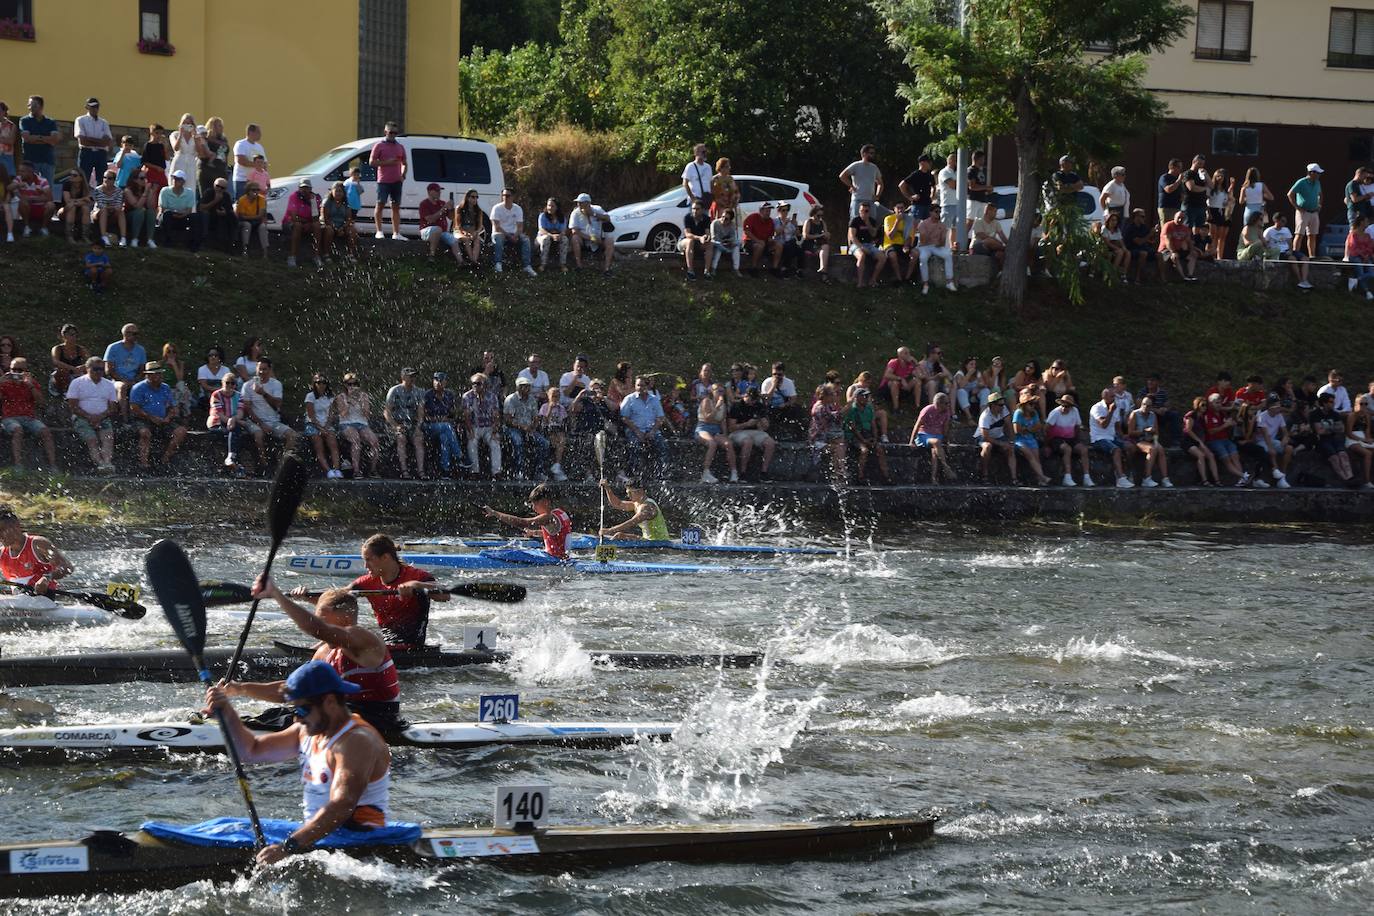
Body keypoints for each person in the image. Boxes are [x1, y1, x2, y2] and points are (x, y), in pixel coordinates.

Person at [201, 659, 393, 865]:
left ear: (329, 701)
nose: (297, 718)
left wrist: (288, 847)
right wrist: (227, 712)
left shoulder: (356, 741)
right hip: (320, 835)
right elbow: (251, 751)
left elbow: (341, 805)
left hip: (358, 840)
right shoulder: (306, 731)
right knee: (228, 827)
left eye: (302, 710)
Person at [224, 577, 403, 734]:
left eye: (323, 620)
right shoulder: (324, 652)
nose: (320, 626)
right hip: (343, 714)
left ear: (347, 620)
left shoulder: (365, 640)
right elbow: (292, 689)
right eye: (317, 618)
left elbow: (317, 629)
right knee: (279, 714)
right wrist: (240, 688)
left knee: (300, 714)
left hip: (380, 719)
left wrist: (276, 594)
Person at [483, 484, 573, 559]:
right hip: (563, 559)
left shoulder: (548, 517)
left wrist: (495, 513)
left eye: (535, 504)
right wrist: (534, 532)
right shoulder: (560, 513)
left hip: (554, 560)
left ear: (546, 502)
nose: (533, 508)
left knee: (513, 552)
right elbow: (557, 534)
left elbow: (522, 522)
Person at [128, 361, 188, 471]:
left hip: (163, 419)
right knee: (145, 433)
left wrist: (168, 417)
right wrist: (151, 418)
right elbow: (134, 408)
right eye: (155, 374)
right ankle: (143, 464)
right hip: (143, 418)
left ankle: (165, 458)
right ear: (148, 375)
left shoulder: (165, 388)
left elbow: (172, 406)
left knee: (181, 431)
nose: (158, 376)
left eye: (159, 373)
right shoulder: (138, 388)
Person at [0, 505, 74, 593]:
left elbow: (67, 567)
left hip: (44, 600)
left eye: (2, 530)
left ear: (16, 526)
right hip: (19, 601)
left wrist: (47, 578)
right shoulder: (1, 553)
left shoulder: (38, 544)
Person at [1, 358, 57, 470]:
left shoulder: (31, 383)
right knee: (17, 429)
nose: (16, 373)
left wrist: (30, 385)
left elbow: (41, 402)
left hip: (29, 418)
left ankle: (53, 465)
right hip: (9, 418)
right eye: (13, 369)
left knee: (45, 431)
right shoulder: (5, 383)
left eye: (20, 370)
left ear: (26, 370)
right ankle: (18, 465)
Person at [242, 358, 297, 469]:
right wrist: (261, 424)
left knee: (292, 435)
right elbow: (247, 408)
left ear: (270, 369)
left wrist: (263, 393)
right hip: (254, 421)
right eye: (259, 369)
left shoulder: (276, 384)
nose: (262, 372)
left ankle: (283, 464)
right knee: (258, 434)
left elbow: (277, 404)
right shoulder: (247, 385)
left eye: (264, 369)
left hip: (273, 421)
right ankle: (264, 465)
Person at [65, 357, 117, 472]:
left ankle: (107, 463)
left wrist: (99, 417)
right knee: (92, 439)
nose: (99, 372)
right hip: (81, 418)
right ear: (87, 369)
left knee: (108, 437)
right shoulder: (77, 383)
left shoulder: (109, 384)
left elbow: (113, 407)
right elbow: (72, 406)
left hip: (103, 417)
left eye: (101, 369)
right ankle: (100, 464)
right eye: (96, 369)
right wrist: (89, 417)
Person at [619, 375, 670, 480]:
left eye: (642, 385)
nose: (639, 388)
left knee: (663, 445)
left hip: (651, 430)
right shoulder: (629, 399)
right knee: (635, 446)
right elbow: (624, 418)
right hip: (634, 429)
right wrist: (637, 431)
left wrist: (652, 431)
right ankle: (635, 474)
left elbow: (660, 418)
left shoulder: (654, 400)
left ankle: (662, 474)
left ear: (647, 386)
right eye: (637, 385)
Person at [333, 372, 381, 480]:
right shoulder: (341, 397)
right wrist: (349, 400)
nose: (352, 386)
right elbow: (343, 414)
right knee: (356, 440)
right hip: (346, 423)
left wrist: (361, 401)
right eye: (349, 384)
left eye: (355, 384)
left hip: (362, 423)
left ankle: (373, 470)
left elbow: (366, 414)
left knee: (375, 441)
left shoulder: (364, 395)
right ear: (345, 385)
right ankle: (356, 471)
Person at [383, 368, 426, 480]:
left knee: (418, 439)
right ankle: (404, 470)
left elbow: (421, 413)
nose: (412, 379)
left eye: (414, 376)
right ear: (403, 377)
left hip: (411, 423)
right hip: (396, 423)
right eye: (410, 376)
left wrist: (418, 427)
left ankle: (421, 471)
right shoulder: (394, 390)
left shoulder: (419, 392)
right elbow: (387, 412)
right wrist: (395, 426)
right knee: (401, 438)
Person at [1089, 387, 1134, 488]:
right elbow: (1103, 425)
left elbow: (1117, 426)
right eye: (1112, 396)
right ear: (1104, 397)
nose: (1114, 398)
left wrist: (1123, 437)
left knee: (1130, 447)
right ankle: (1120, 478)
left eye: (1114, 396)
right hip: (1098, 438)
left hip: (1112, 437)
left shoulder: (1115, 407)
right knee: (1116, 450)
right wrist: (1110, 411)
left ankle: (1128, 473)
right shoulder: (1097, 408)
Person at [504, 377, 548, 480]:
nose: (528, 389)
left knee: (544, 443)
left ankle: (539, 471)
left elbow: (535, 417)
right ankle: (519, 471)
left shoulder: (532, 400)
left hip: (528, 428)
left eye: (529, 386)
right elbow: (508, 420)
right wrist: (522, 427)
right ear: (519, 387)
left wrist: (533, 427)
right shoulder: (511, 399)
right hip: (513, 428)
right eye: (525, 386)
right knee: (518, 442)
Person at [844, 388, 891, 484]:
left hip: (866, 434)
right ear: (857, 397)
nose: (866, 398)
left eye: (867, 396)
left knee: (880, 450)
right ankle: (859, 477)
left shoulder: (869, 408)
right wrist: (863, 440)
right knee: (864, 451)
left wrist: (874, 438)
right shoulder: (852, 410)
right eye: (864, 396)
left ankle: (886, 477)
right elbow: (853, 428)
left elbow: (873, 424)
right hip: (854, 436)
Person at [726, 386, 774, 479]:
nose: (752, 402)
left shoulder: (758, 406)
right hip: (738, 432)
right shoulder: (737, 406)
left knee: (770, 443)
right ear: (746, 396)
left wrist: (763, 421)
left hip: (755, 431)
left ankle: (764, 472)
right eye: (751, 400)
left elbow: (766, 426)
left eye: (754, 400)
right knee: (748, 441)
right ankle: (743, 472)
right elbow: (731, 428)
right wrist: (746, 424)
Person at [423, 371, 464, 478]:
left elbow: (453, 413)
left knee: (444, 437)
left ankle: (445, 469)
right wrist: (436, 419)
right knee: (446, 427)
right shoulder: (427, 395)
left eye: (441, 380)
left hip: (445, 428)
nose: (438, 383)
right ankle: (459, 456)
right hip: (429, 427)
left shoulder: (449, 395)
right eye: (436, 380)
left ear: (445, 382)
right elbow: (423, 416)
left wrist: (449, 417)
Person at [693, 382, 737, 484]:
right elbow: (707, 418)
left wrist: (725, 435)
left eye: (722, 391)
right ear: (712, 391)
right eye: (718, 391)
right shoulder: (706, 401)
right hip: (703, 428)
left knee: (728, 444)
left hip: (716, 430)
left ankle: (734, 472)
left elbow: (722, 422)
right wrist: (717, 407)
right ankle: (706, 472)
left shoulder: (724, 405)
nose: (720, 393)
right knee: (712, 443)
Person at [1311, 392, 1357, 487]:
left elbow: (1341, 429)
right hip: (1322, 441)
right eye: (1331, 402)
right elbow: (1320, 431)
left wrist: (1327, 429)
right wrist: (1333, 428)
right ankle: (1346, 479)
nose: (1333, 404)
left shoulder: (1335, 414)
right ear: (1324, 403)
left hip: (1335, 439)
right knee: (1334, 458)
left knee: (1343, 455)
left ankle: (1350, 477)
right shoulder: (1315, 414)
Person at [369, 122, 407, 240]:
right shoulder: (379, 146)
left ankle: (396, 233)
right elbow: (372, 162)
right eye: (391, 132)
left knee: (395, 207)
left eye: (395, 133)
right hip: (383, 181)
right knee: (380, 205)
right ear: (385, 132)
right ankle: (379, 231)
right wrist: (387, 162)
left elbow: (404, 163)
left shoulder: (400, 147)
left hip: (397, 181)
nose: (393, 135)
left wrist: (403, 174)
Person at [1045, 394, 1092, 486]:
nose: (1064, 408)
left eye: (1066, 406)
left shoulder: (1075, 411)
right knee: (1067, 449)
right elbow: (1046, 429)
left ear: (1071, 407)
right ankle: (1067, 477)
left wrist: (1078, 440)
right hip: (1056, 439)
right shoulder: (1055, 413)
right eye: (1062, 405)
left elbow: (1077, 427)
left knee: (1084, 450)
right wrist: (1047, 445)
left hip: (1070, 438)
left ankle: (1086, 477)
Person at [463, 373, 503, 478]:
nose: (475, 386)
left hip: (488, 426)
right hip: (474, 426)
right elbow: (466, 416)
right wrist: (470, 431)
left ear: (485, 385)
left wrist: (494, 431)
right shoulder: (467, 396)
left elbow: (496, 416)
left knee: (495, 443)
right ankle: (474, 471)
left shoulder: (492, 397)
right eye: (473, 384)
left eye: (478, 384)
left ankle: (496, 472)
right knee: (472, 443)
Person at [1127, 397, 1172, 488]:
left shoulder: (1152, 415)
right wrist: (1144, 431)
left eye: (1148, 406)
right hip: (1137, 440)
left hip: (1150, 440)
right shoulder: (1135, 414)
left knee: (1160, 449)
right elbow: (1130, 432)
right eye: (1144, 404)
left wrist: (1155, 440)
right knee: (1152, 449)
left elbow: (1156, 432)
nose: (1145, 407)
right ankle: (1146, 478)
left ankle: (1165, 478)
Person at [1201, 393, 1246, 485]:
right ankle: (1244, 476)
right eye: (1216, 403)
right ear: (1210, 403)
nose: (1219, 405)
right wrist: (1225, 425)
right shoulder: (1208, 415)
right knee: (1227, 459)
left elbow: (1227, 425)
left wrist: (1232, 424)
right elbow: (1210, 431)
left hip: (1225, 439)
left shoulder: (1222, 413)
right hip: (1213, 441)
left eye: (1220, 403)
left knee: (1235, 456)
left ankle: (1242, 480)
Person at [18, 96, 60, 194]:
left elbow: (54, 140)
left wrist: (36, 138)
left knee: (48, 189)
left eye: (33, 105)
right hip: (31, 160)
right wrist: (45, 139)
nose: (30, 107)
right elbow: (27, 138)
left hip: (47, 160)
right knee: (30, 188)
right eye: (29, 105)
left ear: (41, 106)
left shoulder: (50, 122)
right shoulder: (25, 120)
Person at [207, 371, 246, 477]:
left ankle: (231, 461)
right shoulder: (216, 395)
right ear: (222, 383)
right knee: (233, 434)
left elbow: (240, 413)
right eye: (227, 383)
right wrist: (231, 420)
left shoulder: (239, 396)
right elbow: (219, 414)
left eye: (232, 383)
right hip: (217, 423)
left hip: (232, 423)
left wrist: (233, 419)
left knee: (235, 431)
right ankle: (235, 464)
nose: (229, 385)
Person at [304, 375, 343, 479]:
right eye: (318, 382)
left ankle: (337, 469)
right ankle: (328, 470)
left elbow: (331, 415)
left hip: (326, 425)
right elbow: (311, 416)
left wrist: (326, 427)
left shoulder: (329, 397)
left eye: (323, 382)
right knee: (319, 445)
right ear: (314, 384)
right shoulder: (310, 396)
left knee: (333, 444)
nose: (321, 385)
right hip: (313, 424)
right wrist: (320, 429)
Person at [491, 188, 536, 276]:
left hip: (514, 233)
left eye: (507, 196)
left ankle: (527, 266)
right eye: (503, 195)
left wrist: (515, 236)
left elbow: (520, 227)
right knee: (499, 239)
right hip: (500, 233)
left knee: (525, 239)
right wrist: (509, 236)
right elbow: (497, 227)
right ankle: (498, 264)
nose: (505, 197)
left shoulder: (518, 209)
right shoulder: (496, 208)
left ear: (513, 197)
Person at [911, 391, 954, 484]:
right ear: (939, 403)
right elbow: (917, 425)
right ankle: (945, 466)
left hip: (938, 435)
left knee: (935, 452)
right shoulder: (927, 410)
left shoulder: (947, 412)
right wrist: (911, 441)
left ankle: (933, 478)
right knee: (937, 442)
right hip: (924, 435)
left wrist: (947, 441)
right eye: (946, 403)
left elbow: (945, 428)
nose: (948, 405)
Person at [1252, 393, 1294, 488]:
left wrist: (1285, 439)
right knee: (1271, 452)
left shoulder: (1279, 416)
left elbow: (1285, 432)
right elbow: (1265, 435)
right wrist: (1271, 448)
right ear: (1270, 407)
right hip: (1261, 441)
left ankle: (1283, 476)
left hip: (1273, 440)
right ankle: (1275, 471)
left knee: (1289, 449)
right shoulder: (1262, 416)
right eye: (1277, 405)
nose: (1279, 408)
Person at [975, 390, 1017, 484]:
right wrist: (1001, 444)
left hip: (999, 436)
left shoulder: (1004, 409)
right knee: (987, 447)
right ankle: (984, 474)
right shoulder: (985, 416)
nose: (1003, 407)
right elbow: (985, 436)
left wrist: (1011, 441)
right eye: (1000, 405)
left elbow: (1009, 425)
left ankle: (1014, 479)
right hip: (982, 437)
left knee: (1010, 449)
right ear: (992, 405)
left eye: (1003, 404)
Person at [103, 323, 147, 412]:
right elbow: (108, 370)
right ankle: (124, 419)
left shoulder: (140, 350)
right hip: (116, 380)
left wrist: (135, 380)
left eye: (137, 334)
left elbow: (142, 370)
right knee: (122, 387)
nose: (136, 336)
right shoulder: (113, 347)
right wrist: (123, 380)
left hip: (134, 380)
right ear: (126, 334)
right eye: (134, 334)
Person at [157, 169, 203, 251]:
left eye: (178, 179)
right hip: (168, 217)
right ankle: (168, 241)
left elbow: (189, 210)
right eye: (174, 178)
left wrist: (182, 215)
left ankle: (194, 243)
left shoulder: (189, 193)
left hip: (183, 217)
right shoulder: (165, 191)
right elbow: (163, 208)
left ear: (183, 182)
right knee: (167, 214)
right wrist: (175, 214)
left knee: (195, 217)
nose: (175, 181)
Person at [808, 383, 846, 482]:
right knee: (837, 448)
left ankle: (839, 472)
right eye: (832, 394)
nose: (834, 396)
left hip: (825, 438)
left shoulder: (827, 405)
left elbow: (837, 419)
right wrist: (849, 405)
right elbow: (834, 418)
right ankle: (839, 472)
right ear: (824, 396)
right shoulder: (820, 408)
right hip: (817, 441)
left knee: (840, 444)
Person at [1286, 163, 1323, 265]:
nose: (1319, 175)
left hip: (1314, 212)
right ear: (1311, 173)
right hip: (1303, 212)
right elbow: (1290, 194)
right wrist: (1297, 207)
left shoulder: (1317, 182)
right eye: (1317, 173)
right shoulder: (1301, 182)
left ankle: (1312, 256)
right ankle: (1295, 254)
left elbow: (1320, 194)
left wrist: (1319, 205)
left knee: (1312, 235)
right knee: (1299, 234)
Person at [1262, 212, 1311, 288]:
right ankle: (1300, 280)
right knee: (1292, 259)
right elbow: (1264, 243)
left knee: (1305, 258)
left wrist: (1290, 251)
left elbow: (1290, 243)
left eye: (1285, 221)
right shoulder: (1269, 231)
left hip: (1287, 251)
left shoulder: (1286, 230)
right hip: (1278, 252)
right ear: (1276, 220)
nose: (1284, 223)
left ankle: (1305, 280)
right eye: (1282, 221)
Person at [1182, 396, 1222, 486]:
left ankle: (1217, 480)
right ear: (1197, 405)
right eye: (1202, 405)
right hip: (1188, 441)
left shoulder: (1203, 417)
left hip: (1198, 441)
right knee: (1201, 455)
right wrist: (1199, 442)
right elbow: (1188, 430)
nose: (1204, 407)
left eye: (1206, 405)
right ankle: (1204, 480)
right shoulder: (1191, 415)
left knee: (1211, 455)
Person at [569, 192, 614, 272]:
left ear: (588, 203)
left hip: (598, 238)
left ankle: (607, 268)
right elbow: (574, 230)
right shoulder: (575, 213)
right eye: (578, 202)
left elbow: (607, 218)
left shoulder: (597, 209)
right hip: (584, 239)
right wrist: (591, 238)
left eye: (581, 203)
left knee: (610, 240)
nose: (579, 204)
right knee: (574, 238)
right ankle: (579, 266)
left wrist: (593, 214)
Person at [914, 209, 955, 295]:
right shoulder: (923, 224)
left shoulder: (942, 225)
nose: (938, 213)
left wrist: (940, 241)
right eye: (936, 212)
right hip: (924, 247)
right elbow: (923, 240)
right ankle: (925, 284)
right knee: (923, 258)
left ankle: (949, 282)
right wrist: (931, 232)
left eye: (939, 212)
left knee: (948, 255)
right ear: (930, 213)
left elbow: (942, 242)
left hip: (936, 246)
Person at [283, 179, 322, 269]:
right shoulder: (293, 196)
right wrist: (306, 222)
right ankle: (292, 257)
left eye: (306, 188)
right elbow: (294, 217)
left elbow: (316, 217)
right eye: (302, 188)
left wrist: (313, 203)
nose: (304, 190)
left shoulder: (315, 198)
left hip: (308, 222)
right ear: (299, 188)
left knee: (317, 226)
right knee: (298, 225)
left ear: (310, 189)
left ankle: (316, 256)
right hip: (290, 223)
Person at [417, 183, 461, 261]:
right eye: (437, 191)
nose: (439, 193)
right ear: (430, 192)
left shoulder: (442, 203)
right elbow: (430, 219)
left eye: (439, 191)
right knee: (437, 229)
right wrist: (443, 209)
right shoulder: (424, 204)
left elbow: (451, 218)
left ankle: (461, 261)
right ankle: (432, 255)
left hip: (442, 232)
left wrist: (451, 209)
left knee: (454, 240)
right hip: (426, 230)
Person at [840, 143, 884, 220]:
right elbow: (842, 176)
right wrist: (852, 186)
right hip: (858, 199)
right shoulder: (856, 165)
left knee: (871, 222)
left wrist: (877, 195)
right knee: (855, 222)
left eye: (873, 153)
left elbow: (880, 183)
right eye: (871, 153)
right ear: (864, 154)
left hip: (870, 200)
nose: (873, 155)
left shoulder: (874, 168)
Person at [848, 201, 885, 287]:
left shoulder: (872, 221)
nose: (864, 213)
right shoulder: (855, 220)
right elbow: (852, 237)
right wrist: (861, 247)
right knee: (861, 256)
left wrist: (867, 222)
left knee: (882, 257)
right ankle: (860, 282)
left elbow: (874, 234)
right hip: (856, 244)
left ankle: (873, 280)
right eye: (862, 210)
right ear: (859, 211)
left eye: (866, 211)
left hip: (868, 244)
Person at [50, 324, 90, 401]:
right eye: (71, 335)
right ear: (64, 336)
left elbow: (90, 362)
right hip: (62, 375)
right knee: (62, 371)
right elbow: (56, 361)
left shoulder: (80, 349)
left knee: (89, 371)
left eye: (76, 335)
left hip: (77, 374)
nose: (74, 337)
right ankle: (65, 392)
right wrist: (71, 368)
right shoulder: (57, 348)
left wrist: (82, 367)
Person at [14, 161, 54, 237]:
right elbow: (9, 188)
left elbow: (50, 198)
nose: (20, 173)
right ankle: (26, 227)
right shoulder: (18, 179)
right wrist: (18, 186)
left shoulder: (42, 180)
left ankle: (44, 228)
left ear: (30, 172)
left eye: (22, 171)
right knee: (23, 202)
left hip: (41, 208)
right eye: (19, 171)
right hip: (26, 208)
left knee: (51, 205)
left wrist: (32, 198)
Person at [539, 387, 570, 481]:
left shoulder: (561, 408)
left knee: (562, 440)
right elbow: (543, 422)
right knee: (556, 441)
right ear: (548, 396)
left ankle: (557, 466)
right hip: (547, 429)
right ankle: (556, 467)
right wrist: (550, 409)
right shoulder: (544, 406)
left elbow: (564, 422)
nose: (555, 398)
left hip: (558, 429)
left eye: (557, 396)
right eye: (553, 396)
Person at [320, 181, 358, 257]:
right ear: (332, 191)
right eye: (336, 191)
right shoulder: (327, 202)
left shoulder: (346, 203)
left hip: (342, 226)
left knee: (353, 230)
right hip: (329, 225)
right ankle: (326, 254)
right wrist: (335, 228)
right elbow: (325, 218)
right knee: (329, 230)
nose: (338, 193)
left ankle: (351, 254)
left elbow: (349, 219)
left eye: (340, 191)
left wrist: (342, 228)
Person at [1159, 210, 1199, 282]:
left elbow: (1188, 241)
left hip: (1180, 249)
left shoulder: (1186, 229)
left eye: (1182, 218)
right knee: (1175, 257)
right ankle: (1183, 277)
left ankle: (1190, 275)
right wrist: (1173, 251)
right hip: (1167, 249)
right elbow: (1167, 240)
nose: (1180, 220)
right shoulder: (1168, 226)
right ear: (1174, 217)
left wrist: (1192, 250)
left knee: (1193, 255)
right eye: (1178, 218)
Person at [231, 123, 266, 202]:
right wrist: (258, 165)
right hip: (242, 180)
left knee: (256, 204)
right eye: (258, 132)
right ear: (251, 132)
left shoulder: (259, 147)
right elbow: (241, 161)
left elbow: (265, 163)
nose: (260, 134)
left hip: (257, 181)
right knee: (242, 203)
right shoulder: (240, 144)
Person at [880, 199, 913, 282]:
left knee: (915, 254)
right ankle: (899, 278)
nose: (900, 210)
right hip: (890, 244)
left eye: (902, 208)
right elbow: (890, 236)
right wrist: (897, 221)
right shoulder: (888, 218)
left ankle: (908, 278)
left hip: (903, 244)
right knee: (893, 255)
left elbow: (909, 236)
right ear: (894, 209)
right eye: (898, 208)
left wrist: (906, 245)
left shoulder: (908, 219)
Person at [742, 201, 780, 274]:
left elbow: (770, 235)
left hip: (764, 242)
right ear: (761, 210)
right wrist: (757, 240)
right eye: (766, 210)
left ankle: (775, 268)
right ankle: (753, 268)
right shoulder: (752, 217)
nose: (768, 213)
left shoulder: (770, 221)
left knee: (779, 245)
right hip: (750, 242)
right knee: (760, 245)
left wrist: (771, 240)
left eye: (769, 211)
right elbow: (747, 231)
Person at [968, 202, 1007, 270]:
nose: (996, 214)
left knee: (1000, 254)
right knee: (989, 241)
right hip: (978, 247)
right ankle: (1004, 248)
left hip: (991, 248)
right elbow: (982, 236)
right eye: (994, 211)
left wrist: (1009, 243)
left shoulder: (996, 223)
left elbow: (1002, 236)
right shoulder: (978, 222)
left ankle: (1001, 273)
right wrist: (998, 243)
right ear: (988, 211)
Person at [235, 179, 269, 255]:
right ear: (248, 191)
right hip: (243, 222)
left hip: (256, 222)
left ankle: (265, 253)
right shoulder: (242, 200)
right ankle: (245, 250)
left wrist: (251, 217)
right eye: (253, 190)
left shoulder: (262, 199)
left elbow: (261, 215)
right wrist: (256, 217)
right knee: (247, 225)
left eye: (258, 190)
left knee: (263, 227)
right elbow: (241, 217)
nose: (256, 192)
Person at [679, 198, 712, 279]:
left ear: (702, 210)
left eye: (697, 209)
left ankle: (707, 272)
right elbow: (688, 234)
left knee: (710, 244)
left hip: (698, 243)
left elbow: (707, 233)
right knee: (690, 241)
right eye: (693, 208)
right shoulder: (688, 217)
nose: (695, 211)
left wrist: (706, 237)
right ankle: (690, 271)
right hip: (684, 242)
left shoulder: (706, 219)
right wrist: (699, 238)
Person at [899, 153, 936, 221]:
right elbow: (901, 185)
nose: (930, 164)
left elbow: (934, 186)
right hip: (918, 205)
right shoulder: (915, 174)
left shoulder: (930, 175)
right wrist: (910, 197)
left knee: (927, 226)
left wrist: (932, 196)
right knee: (916, 225)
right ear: (922, 163)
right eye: (928, 162)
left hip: (928, 205)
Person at [1207, 168, 1234, 258]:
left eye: (1221, 176)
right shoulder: (1211, 188)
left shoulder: (1226, 190)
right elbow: (1207, 200)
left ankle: (1219, 257)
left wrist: (1232, 187)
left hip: (1223, 211)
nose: (1219, 178)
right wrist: (1208, 212)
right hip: (1212, 210)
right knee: (1212, 235)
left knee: (1221, 237)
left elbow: (1229, 201)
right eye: (1218, 176)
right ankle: (1209, 254)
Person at [1345, 215, 1374, 300]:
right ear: (1361, 222)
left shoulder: (1367, 235)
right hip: (1355, 257)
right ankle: (1367, 292)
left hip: (1365, 257)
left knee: (1372, 272)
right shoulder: (1353, 234)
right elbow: (1354, 248)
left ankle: (1356, 280)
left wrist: (1366, 256)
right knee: (1359, 268)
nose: (1368, 223)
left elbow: (1370, 247)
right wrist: (1363, 256)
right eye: (1366, 221)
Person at [708, 207, 742, 277]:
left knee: (736, 246)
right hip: (716, 243)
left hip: (726, 243)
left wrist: (730, 241)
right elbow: (713, 237)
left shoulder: (732, 225)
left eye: (726, 218)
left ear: (730, 220)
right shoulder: (715, 223)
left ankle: (736, 269)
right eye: (722, 217)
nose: (723, 219)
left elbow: (733, 236)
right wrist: (723, 242)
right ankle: (713, 268)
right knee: (719, 248)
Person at [536, 197, 568, 272]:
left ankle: (562, 264)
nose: (550, 208)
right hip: (542, 236)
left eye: (552, 206)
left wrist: (559, 235)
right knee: (546, 239)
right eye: (548, 205)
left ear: (557, 207)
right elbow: (541, 229)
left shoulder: (562, 217)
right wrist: (551, 235)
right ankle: (543, 264)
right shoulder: (542, 216)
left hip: (557, 236)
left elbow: (563, 230)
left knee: (565, 239)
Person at [60, 170, 93, 242]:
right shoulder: (67, 185)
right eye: (70, 174)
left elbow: (89, 201)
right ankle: (69, 236)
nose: (71, 177)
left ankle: (85, 236)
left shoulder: (85, 187)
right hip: (65, 211)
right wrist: (83, 199)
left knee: (85, 208)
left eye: (74, 175)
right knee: (72, 207)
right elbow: (67, 201)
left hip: (79, 213)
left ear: (81, 178)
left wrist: (75, 202)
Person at [936, 152, 960, 248]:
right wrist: (960, 183)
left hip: (958, 203)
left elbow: (966, 185)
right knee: (944, 227)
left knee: (955, 228)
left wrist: (959, 183)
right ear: (949, 161)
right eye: (954, 160)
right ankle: (938, 247)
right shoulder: (944, 172)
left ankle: (952, 248)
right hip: (948, 203)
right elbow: (952, 185)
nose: (956, 163)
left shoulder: (957, 173)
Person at [801, 205, 832, 277]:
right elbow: (806, 236)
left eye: (821, 215)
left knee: (826, 246)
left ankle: (823, 269)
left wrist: (827, 235)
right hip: (809, 245)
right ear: (813, 214)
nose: (820, 217)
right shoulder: (808, 222)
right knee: (825, 248)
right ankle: (824, 274)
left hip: (819, 244)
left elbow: (825, 234)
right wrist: (820, 235)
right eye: (818, 215)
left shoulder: (822, 222)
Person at [1096, 212, 1128, 279]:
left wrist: (1124, 247)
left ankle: (1124, 274)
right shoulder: (1105, 229)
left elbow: (1121, 240)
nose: (1114, 222)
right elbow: (1107, 243)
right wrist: (1118, 248)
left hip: (1114, 247)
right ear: (1108, 220)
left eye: (1116, 220)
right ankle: (1113, 272)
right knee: (1120, 252)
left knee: (1128, 253)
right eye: (1112, 220)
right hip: (1105, 247)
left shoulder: (1117, 230)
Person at [682, 142, 713, 209]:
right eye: (703, 152)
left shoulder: (708, 167)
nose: (705, 154)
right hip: (696, 199)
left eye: (705, 152)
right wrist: (692, 198)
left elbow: (710, 183)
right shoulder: (690, 166)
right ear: (696, 153)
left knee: (705, 219)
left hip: (706, 199)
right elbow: (685, 183)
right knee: (695, 218)